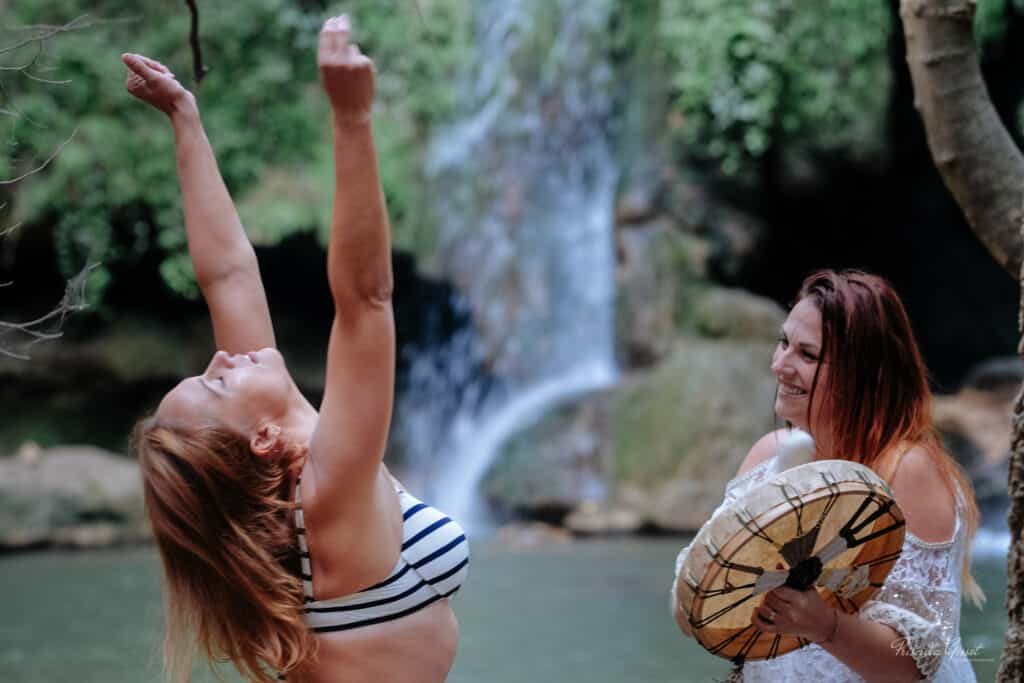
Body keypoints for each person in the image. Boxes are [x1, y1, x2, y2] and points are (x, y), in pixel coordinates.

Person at [127, 16, 468, 683]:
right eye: (216, 382)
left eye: (209, 369)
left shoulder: (294, 481)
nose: (223, 358)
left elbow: (226, 274)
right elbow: (366, 301)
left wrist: (185, 120)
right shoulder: (327, 497)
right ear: (256, 438)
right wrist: (351, 120)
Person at [673, 269, 982, 682]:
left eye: (808, 355)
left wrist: (825, 626)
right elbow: (698, 590)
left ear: (864, 372)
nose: (780, 365)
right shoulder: (769, 454)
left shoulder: (908, 471)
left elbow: (917, 660)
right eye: (784, 343)